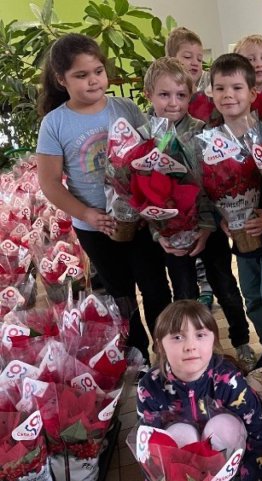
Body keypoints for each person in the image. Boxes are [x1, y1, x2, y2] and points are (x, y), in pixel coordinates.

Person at [36, 33, 171, 362]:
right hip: (96, 228)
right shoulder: (55, 123)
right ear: (61, 79)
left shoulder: (125, 108)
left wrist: (151, 205)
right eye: (81, 75)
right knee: (120, 294)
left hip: (139, 222)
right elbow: (50, 183)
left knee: (156, 288)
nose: (93, 80)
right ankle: (138, 356)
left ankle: (167, 352)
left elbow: (150, 157)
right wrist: (88, 214)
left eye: (98, 71)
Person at [143, 56, 256, 369]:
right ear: (148, 94)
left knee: (226, 287)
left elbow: (213, 185)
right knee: (185, 294)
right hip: (171, 235)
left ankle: (241, 341)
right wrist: (159, 234)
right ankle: (194, 351)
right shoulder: (144, 136)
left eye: (181, 95)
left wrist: (206, 227)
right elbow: (141, 192)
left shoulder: (203, 132)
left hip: (210, 230)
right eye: (164, 95)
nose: (173, 103)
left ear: (191, 95)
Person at [209, 53, 262, 367]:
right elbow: (210, 188)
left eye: (236, 88)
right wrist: (222, 217)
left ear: (252, 93)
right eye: (220, 88)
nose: (228, 95)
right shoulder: (210, 143)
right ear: (211, 93)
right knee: (254, 300)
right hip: (242, 243)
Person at [136, 300, 262, 481]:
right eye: (177, 337)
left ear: (213, 340)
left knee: (225, 426)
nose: (190, 346)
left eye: (200, 335)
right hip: (181, 468)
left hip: (228, 466)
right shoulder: (150, 387)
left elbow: (257, 433)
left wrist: (250, 477)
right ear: (160, 346)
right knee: (179, 434)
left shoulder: (229, 380)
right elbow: (148, 445)